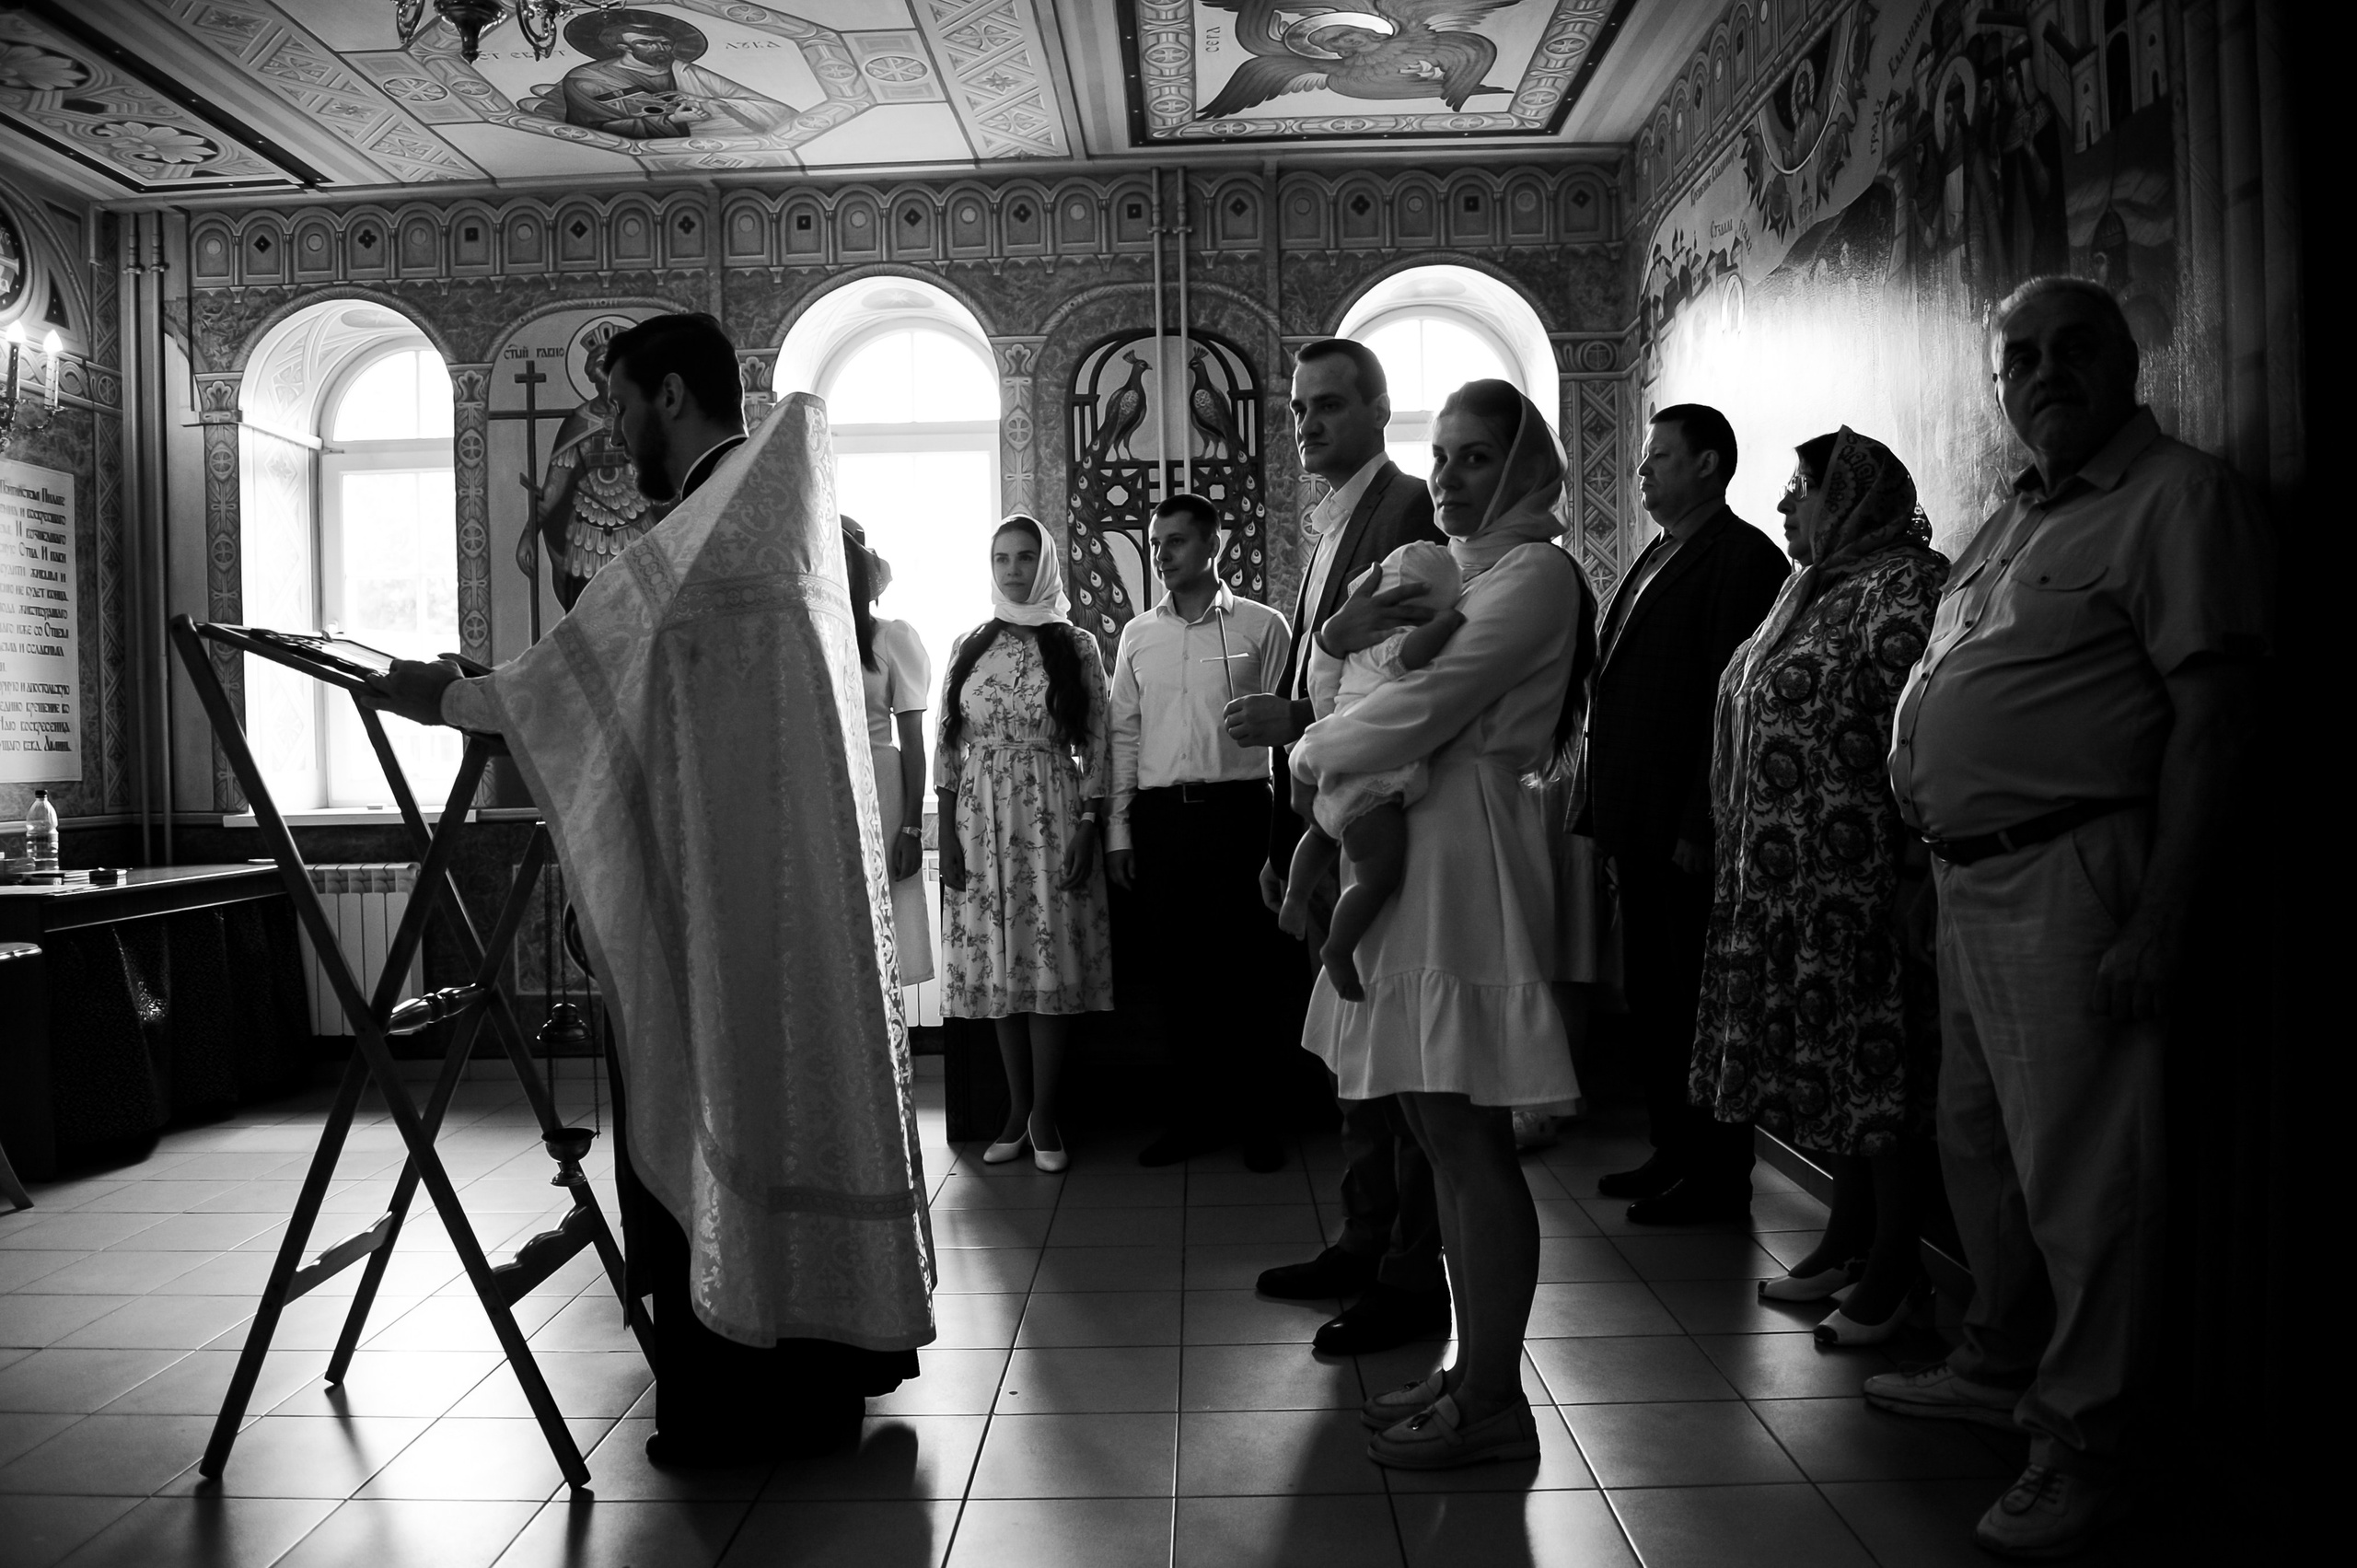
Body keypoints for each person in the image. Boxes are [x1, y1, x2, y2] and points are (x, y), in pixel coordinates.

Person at [366, 312, 933, 1467]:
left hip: (719, 914)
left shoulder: (707, 532)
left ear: (671, 394)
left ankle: (734, 1407)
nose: (617, 438)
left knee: (717, 1102)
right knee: (799, 1103)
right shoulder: (779, 521)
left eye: (622, 406)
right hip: (794, 900)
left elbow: (577, 683)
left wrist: (451, 697)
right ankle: (825, 1374)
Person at [1871, 277, 2272, 1558]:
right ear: (1999, 387)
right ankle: (1999, 1357)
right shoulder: (2013, 517)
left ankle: (2090, 1443)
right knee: (1981, 1144)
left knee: (2086, 1177)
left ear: (2127, 360)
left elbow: (2215, 721)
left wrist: (2158, 917)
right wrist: (1925, 852)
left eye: (2074, 347)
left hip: (2073, 873)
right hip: (1967, 877)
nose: (2048, 372)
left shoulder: (2176, 499)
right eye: (2022, 359)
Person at [1295, 378, 1592, 1469]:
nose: (1450, 477)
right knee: (1433, 1130)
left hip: (1465, 847)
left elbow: (1422, 705)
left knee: (1470, 1141)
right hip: (1416, 837)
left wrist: (1309, 751)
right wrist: (1336, 683)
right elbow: (1353, 680)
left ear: (1521, 468)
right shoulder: (1454, 570)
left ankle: (1495, 1393)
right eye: (1442, 455)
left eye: (1476, 457)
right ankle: (1471, 1369)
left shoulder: (1534, 574)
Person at [1688, 429, 1948, 1346]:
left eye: (1801, 487)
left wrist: (1911, 867)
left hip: (1860, 877)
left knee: (1876, 1071)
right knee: (1832, 1064)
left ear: (1853, 499)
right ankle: (1848, 1238)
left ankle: (1897, 1268)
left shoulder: (1906, 586)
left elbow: (1921, 730)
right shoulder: (1813, 587)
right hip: (1788, 879)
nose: (1785, 503)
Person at [1224, 337, 1450, 1355]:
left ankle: (1410, 1271)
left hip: (1388, 819)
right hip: (1329, 813)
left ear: (1378, 408)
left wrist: (1299, 717)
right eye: (1298, 407)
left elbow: (1408, 682)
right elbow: (1335, 672)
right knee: (1353, 1055)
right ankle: (1364, 1237)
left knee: (1398, 1062)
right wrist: (1290, 831)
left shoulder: (1407, 512)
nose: (1307, 422)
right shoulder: (1329, 525)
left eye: (1328, 404)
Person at [1582, 402, 1789, 1225]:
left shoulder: (1742, 558)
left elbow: (1727, 704)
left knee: (1701, 1005)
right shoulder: (1660, 550)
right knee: (1654, 1001)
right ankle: (1671, 1149)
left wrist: (1699, 822)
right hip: (1638, 824)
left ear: (1708, 464)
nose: (1643, 469)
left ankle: (1716, 1174)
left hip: (1684, 831)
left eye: (1659, 456)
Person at [1102, 494, 1295, 1170]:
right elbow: (1124, 733)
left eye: (1176, 541)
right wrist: (1119, 832)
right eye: (1156, 543)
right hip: (1161, 819)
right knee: (1178, 975)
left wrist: (1287, 832)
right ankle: (1194, 1119)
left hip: (1240, 812)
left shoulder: (1263, 627)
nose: (1161, 554)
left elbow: (1290, 736)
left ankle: (1260, 1121)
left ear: (1215, 545)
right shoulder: (1137, 635)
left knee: (1249, 970)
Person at [937, 515, 1114, 1175]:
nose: (1012, 569)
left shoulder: (1077, 644)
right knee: (997, 964)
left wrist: (1091, 824)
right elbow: (946, 743)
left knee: (1047, 961)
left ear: (1045, 565)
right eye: (1001, 558)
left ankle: (1044, 1113)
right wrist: (945, 832)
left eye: (1024, 557)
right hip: (978, 820)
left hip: (1052, 814)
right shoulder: (968, 645)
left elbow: (1099, 741)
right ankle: (1015, 1108)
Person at [1281, 540, 1465, 999]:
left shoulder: (1356, 651)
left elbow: (1324, 694)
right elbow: (1414, 653)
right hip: (1368, 776)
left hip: (1335, 765)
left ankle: (1296, 894)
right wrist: (1449, 622)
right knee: (1378, 874)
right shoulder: (1390, 641)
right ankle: (1339, 947)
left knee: (1322, 833)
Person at [844, 517, 934, 989]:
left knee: (884, 932)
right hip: (820, 789)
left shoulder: (890, 637)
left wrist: (912, 828)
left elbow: (913, 741)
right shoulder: (801, 641)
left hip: (882, 790)